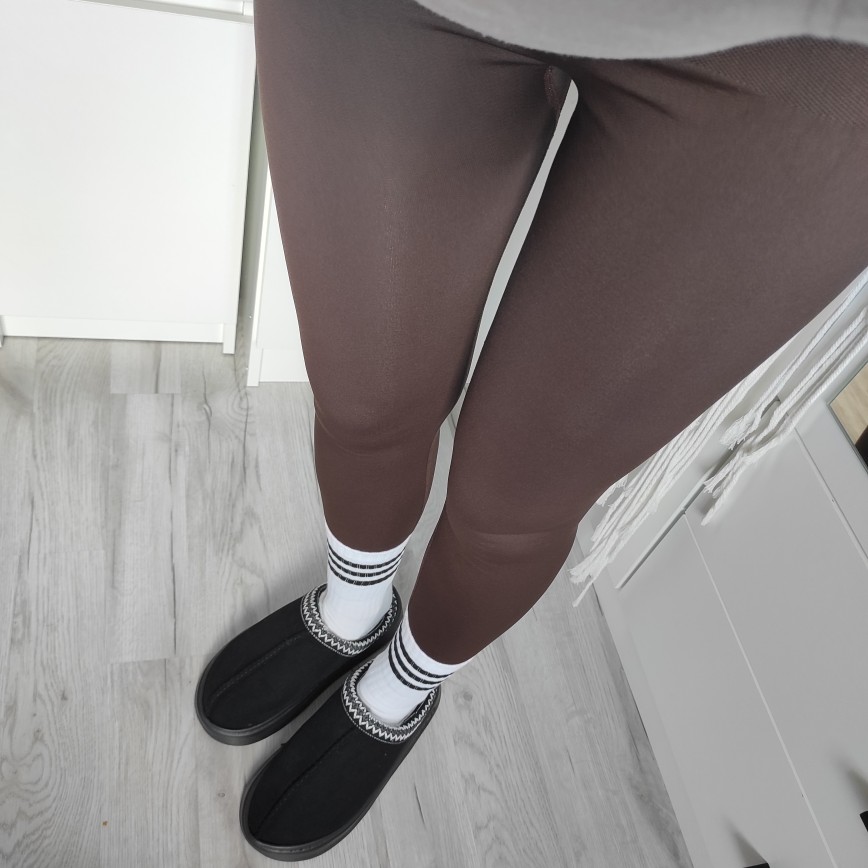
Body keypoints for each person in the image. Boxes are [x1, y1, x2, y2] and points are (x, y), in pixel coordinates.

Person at [195, 0, 868, 860]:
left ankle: (407, 680)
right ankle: (354, 605)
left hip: (801, 55)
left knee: (512, 503)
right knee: (365, 403)